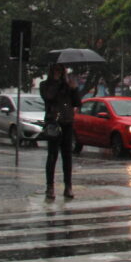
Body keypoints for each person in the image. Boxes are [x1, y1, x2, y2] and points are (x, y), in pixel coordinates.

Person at [39, 62, 81, 201]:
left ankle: (68, 186)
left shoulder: (67, 86)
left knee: (67, 156)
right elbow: (49, 97)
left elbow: (76, 103)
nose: (59, 72)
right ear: (52, 71)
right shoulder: (45, 85)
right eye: (57, 70)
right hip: (53, 122)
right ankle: (50, 187)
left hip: (67, 122)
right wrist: (57, 82)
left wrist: (74, 89)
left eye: (62, 70)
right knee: (52, 155)